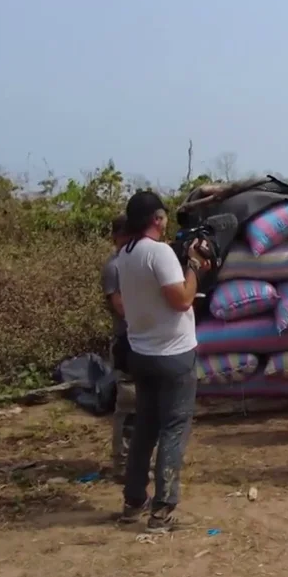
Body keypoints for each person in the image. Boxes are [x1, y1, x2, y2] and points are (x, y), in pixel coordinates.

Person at [112, 190, 212, 532]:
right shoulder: (159, 253)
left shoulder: (125, 255)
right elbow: (182, 300)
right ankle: (162, 510)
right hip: (174, 355)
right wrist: (196, 268)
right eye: (164, 216)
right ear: (156, 219)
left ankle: (133, 502)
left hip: (142, 354)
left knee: (145, 429)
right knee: (173, 429)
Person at [101, 213, 138, 481]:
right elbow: (120, 307)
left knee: (143, 404)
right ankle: (123, 465)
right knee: (128, 403)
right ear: (116, 237)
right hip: (127, 341)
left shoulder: (135, 263)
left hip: (143, 340)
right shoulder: (114, 267)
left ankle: (138, 460)